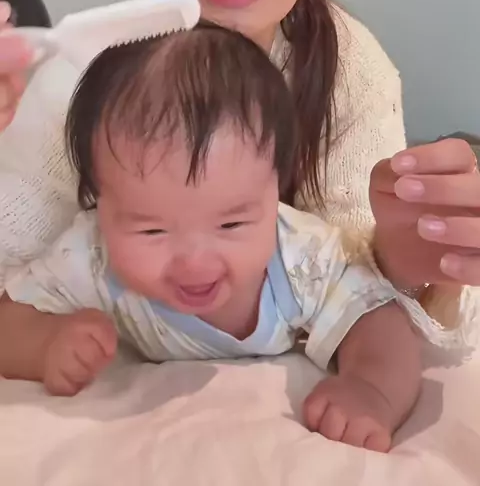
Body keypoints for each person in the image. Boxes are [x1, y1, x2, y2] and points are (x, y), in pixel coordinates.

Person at [0, 0, 478, 349]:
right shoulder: (86, 68)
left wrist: (407, 257)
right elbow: (12, 264)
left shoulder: (348, 65)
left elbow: (355, 286)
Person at [0, 23, 422, 453]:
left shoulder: (300, 258)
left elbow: (377, 318)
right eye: (152, 230)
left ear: (274, 190)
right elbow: (8, 321)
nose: (195, 262)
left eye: (232, 225)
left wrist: (372, 391)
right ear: (97, 202)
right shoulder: (92, 255)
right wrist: (45, 343)